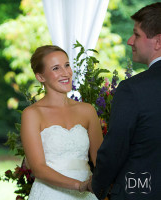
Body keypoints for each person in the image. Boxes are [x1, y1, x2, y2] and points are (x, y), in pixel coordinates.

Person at [91, 2, 161, 200]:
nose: (130, 41)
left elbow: (115, 150)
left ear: (158, 42)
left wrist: (97, 185)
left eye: (137, 34)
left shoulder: (133, 89)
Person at [20, 45, 103, 199]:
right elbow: (38, 168)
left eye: (66, 65)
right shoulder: (32, 114)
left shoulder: (87, 110)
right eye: (56, 68)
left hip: (87, 193)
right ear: (40, 77)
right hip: (49, 193)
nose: (66, 73)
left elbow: (101, 159)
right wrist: (79, 185)